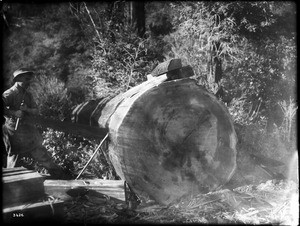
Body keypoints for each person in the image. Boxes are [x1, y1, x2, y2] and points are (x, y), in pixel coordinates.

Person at [2, 68, 72, 179]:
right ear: (18, 79)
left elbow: (36, 110)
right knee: (14, 160)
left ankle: (62, 178)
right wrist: (14, 112)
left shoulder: (28, 95)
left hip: (29, 130)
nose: (29, 81)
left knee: (41, 154)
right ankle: (12, 186)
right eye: (26, 78)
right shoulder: (9, 94)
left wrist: (26, 110)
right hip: (13, 132)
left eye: (30, 78)